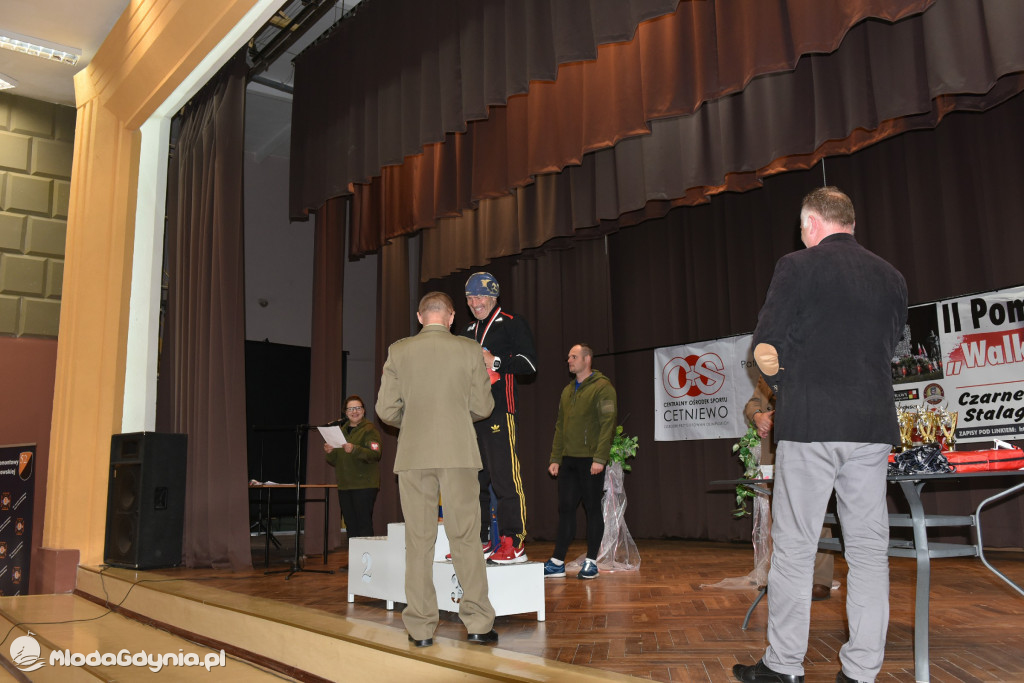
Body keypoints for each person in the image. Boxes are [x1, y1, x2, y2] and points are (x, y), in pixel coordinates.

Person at [733, 187, 907, 683]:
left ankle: (784, 666)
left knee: (795, 547)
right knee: (870, 552)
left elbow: (766, 346)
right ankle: (861, 672)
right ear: (850, 222)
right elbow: (893, 349)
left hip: (812, 423)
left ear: (811, 223)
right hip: (871, 426)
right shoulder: (891, 276)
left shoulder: (796, 266)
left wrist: (790, 383)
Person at [375, 291, 498, 648]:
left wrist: (411, 422)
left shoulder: (399, 351)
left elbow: (385, 410)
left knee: (418, 542)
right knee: (465, 538)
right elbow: (483, 406)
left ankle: (420, 629)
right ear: (450, 317)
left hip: (413, 455)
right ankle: (477, 623)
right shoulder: (468, 349)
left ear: (419, 316)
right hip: (459, 452)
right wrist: (459, 417)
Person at [461, 272, 537, 564]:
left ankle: (513, 542)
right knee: (473, 480)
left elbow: (530, 364)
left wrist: (494, 360)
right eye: (469, 298)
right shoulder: (466, 331)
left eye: (480, 296)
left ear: (493, 296)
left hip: (499, 410)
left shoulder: (511, 322)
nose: (475, 302)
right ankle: (479, 540)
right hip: (469, 415)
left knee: (505, 477)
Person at [744, 377, 835, 601]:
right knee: (781, 517)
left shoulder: (817, 362)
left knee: (817, 514)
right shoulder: (770, 370)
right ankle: (784, 578)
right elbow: (752, 403)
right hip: (777, 451)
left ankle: (820, 580)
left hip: (813, 445)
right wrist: (758, 416)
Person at [544, 343, 617, 580]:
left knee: (592, 508)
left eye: (573, 356)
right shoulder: (567, 391)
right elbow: (559, 426)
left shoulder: (603, 388)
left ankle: (591, 561)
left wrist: (599, 458)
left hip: (590, 461)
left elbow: (608, 425)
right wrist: (556, 458)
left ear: (587, 359)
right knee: (565, 508)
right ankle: (557, 561)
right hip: (568, 461)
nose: (569, 360)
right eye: (568, 357)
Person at [322, 395, 382, 539]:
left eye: (358, 408)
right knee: (350, 525)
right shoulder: (340, 431)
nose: (354, 411)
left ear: (363, 410)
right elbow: (335, 460)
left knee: (363, 525)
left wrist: (354, 449)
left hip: (364, 485)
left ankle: (367, 560)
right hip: (345, 486)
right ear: (345, 412)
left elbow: (375, 454)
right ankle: (355, 560)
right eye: (351, 409)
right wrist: (329, 452)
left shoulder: (369, 429)